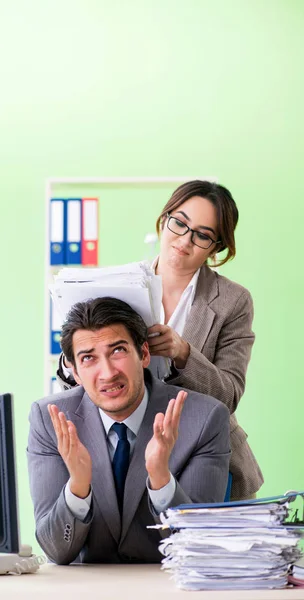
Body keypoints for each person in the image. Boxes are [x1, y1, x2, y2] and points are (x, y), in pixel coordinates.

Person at [57, 180, 263, 501]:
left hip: (201, 448)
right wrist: (76, 356)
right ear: (164, 218)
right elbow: (79, 367)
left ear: (216, 247)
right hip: (125, 445)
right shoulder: (117, 284)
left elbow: (229, 396)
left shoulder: (232, 301)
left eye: (202, 235)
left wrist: (183, 353)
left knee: (194, 546)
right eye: (179, 223)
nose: (184, 240)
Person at [28, 297, 230, 565]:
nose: (108, 373)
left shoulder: (204, 418)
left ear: (144, 354)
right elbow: (57, 551)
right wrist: (77, 486)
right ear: (75, 372)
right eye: (88, 358)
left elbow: (197, 545)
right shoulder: (50, 420)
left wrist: (160, 478)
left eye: (118, 351)